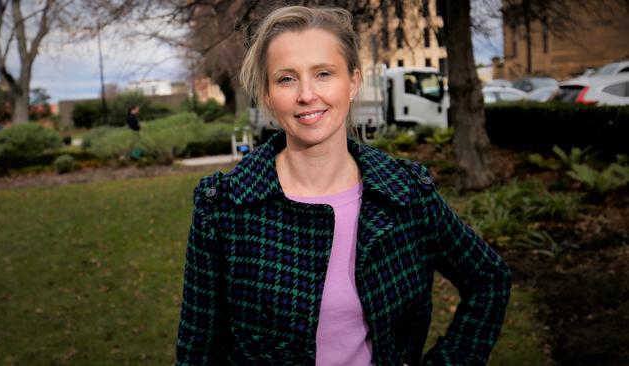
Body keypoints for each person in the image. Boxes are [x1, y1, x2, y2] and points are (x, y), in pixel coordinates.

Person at [176, 6, 511, 366]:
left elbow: (489, 279)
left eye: (323, 73)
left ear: (352, 82)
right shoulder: (224, 208)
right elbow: (197, 353)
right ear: (268, 95)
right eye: (286, 79)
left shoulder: (406, 193)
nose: (307, 94)